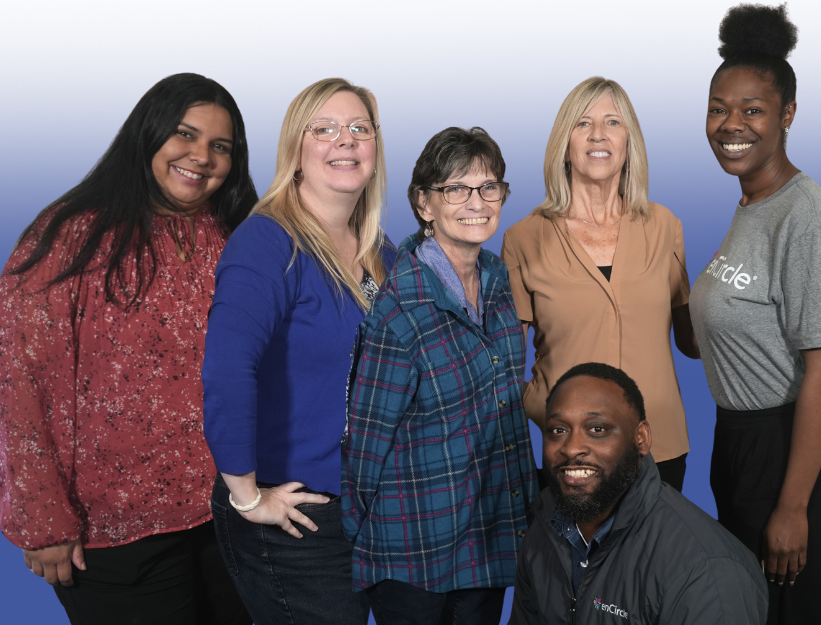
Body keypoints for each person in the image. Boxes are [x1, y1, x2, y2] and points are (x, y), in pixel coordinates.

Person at [0, 73, 256, 624]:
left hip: (230, 515)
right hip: (113, 531)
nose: (202, 156)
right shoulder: (70, 237)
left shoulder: (238, 237)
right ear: (147, 134)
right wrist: (43, 519)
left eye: (221, 145)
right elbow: (19, 383)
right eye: (185, 134)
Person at [688, 5, 821, 624]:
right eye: (718, 108)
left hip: (804, 449)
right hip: (746, 443)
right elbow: (716, 336)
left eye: (752, 110)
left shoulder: (807, 218)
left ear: (787, 114)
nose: (731, 124)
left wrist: (794, 507)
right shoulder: (752, 205)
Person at [201, 78, 395, 625]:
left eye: (359, 128)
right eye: (324, 129)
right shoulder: (268, 242)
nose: (345, 140)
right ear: (295, 148)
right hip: (295, 514)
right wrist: (247, 496)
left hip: (366, 507)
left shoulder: (381, 252)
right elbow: (226, 370)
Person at [342, 126, 538, 625]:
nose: (476, 202)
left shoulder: (497, 282)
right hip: (414, 548)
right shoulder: (401, 310)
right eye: (455, 189)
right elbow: (366, 445)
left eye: (488, 187)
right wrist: (362, 538)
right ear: (424, 203)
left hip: (487, 539)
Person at [502, 76, 699, 492]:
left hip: (659, 447)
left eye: (613, 122)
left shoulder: (665, 226)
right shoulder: (524, 238)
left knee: (656, 539)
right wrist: (545, 409)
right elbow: (505, 362)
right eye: (582, 123)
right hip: (572, 455)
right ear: (565, 144)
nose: (598, 134)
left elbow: (692, 341)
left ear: (629, 142)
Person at [510, 362, 768, 625]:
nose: (572, 448)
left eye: (597, 429)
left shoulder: (706, 571)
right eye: (558, 430)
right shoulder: (544, 525)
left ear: (641, 438)